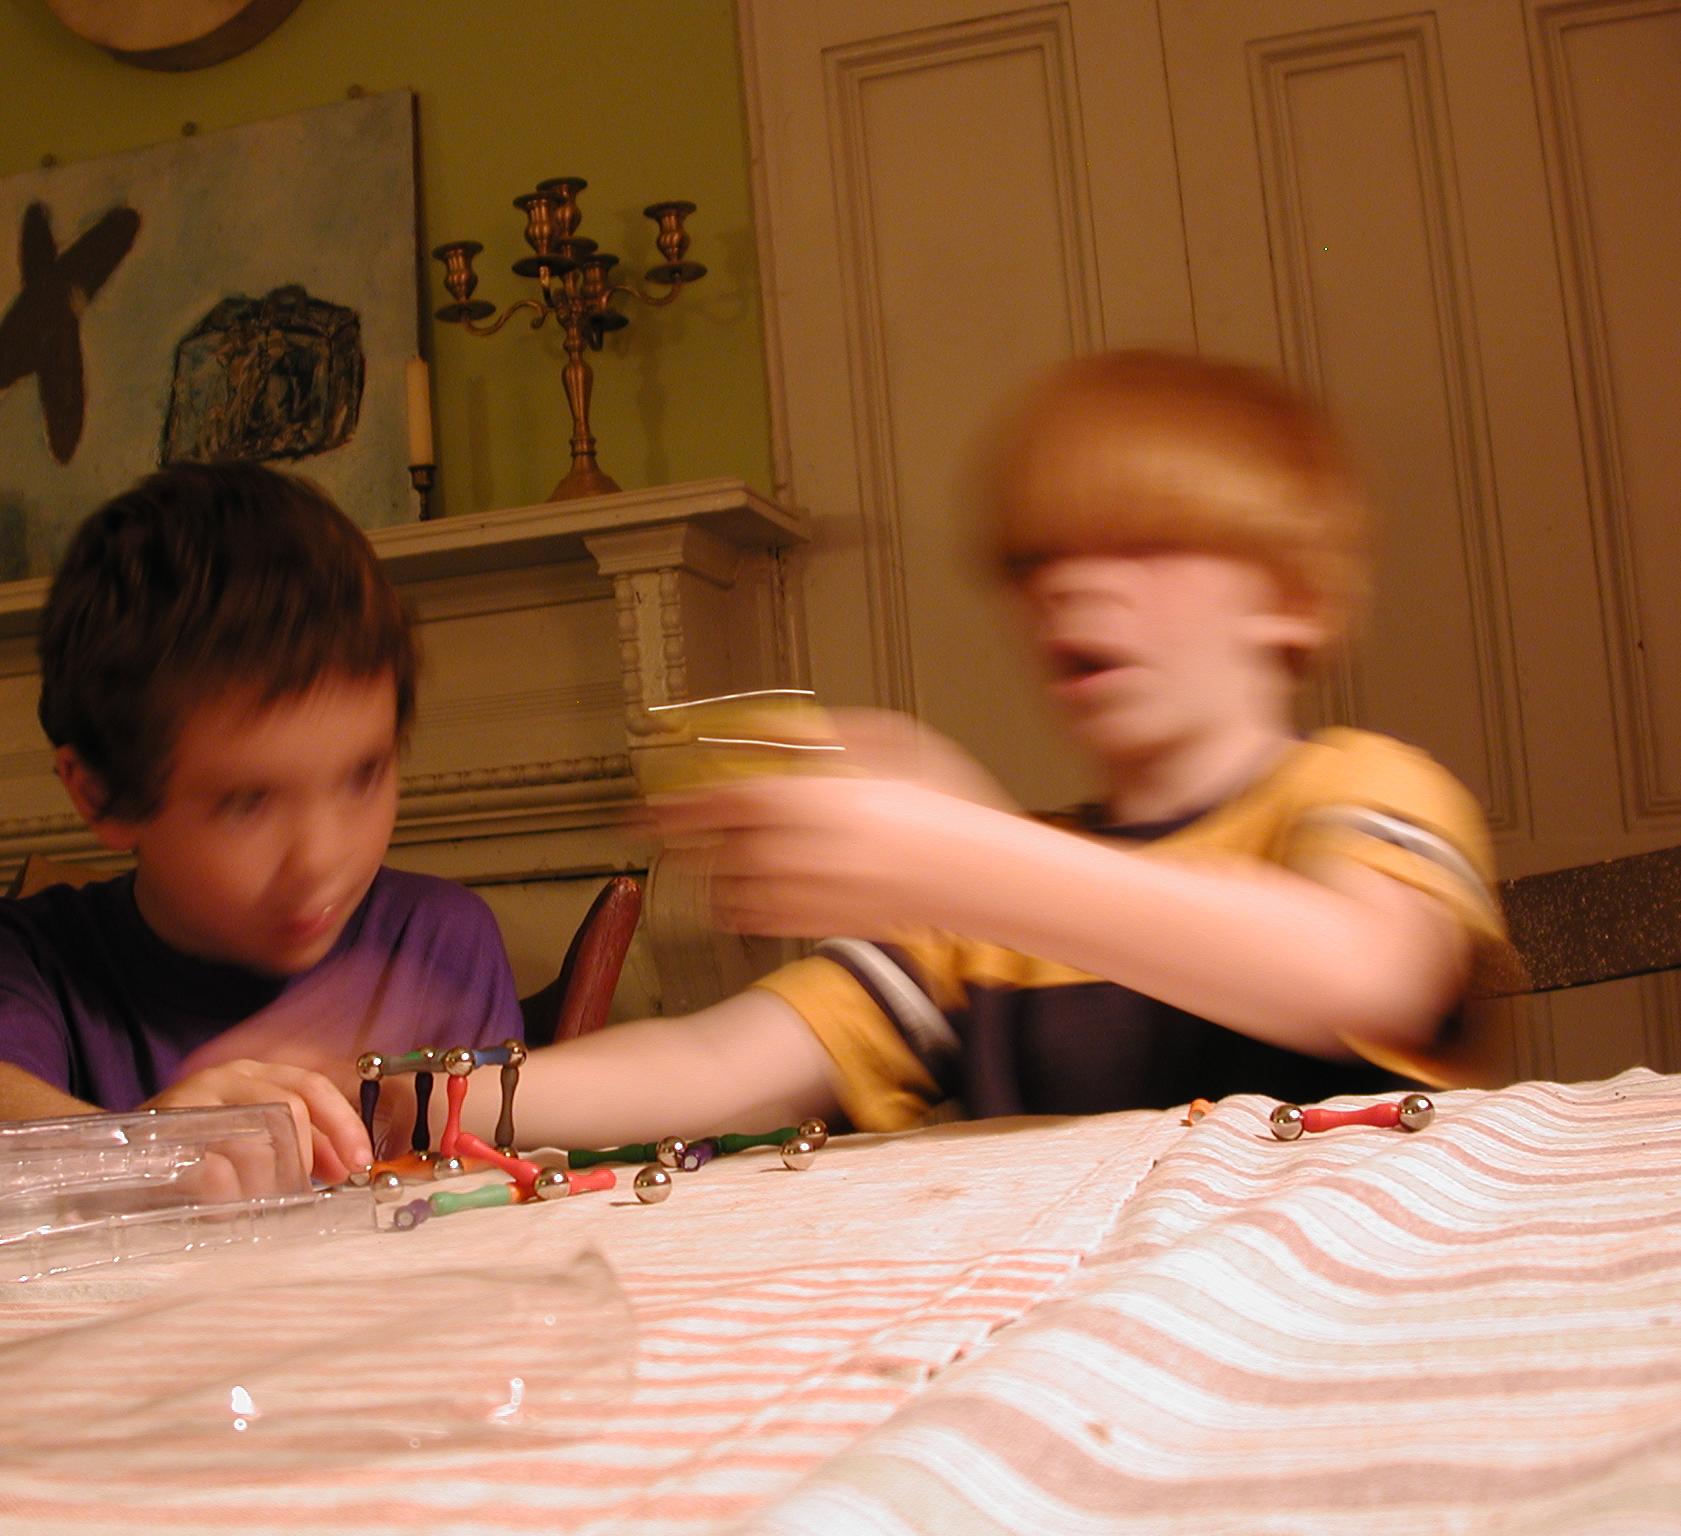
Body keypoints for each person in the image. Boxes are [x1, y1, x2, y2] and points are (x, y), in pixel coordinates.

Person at [417, 348, 1517, 1148]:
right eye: (1038, 559)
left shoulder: (1364, 788)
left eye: (1145, 542)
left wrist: (959, 854)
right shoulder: (973, 907)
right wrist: (398, 1097)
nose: (1073, 584)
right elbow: (707, 1064)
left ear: (1293, 597)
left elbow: (1360, 971)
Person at [0, 462, 521, 1181]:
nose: (321, 856)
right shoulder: (21, 957)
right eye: (247, 802)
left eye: (363, 775)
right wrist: (146, 1152)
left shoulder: (438, 939)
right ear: (100, 795)